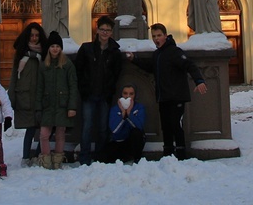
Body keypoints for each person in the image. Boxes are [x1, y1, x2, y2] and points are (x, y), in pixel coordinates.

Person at [126, 23, 207, 160]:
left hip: (177, 96)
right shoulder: (157, 54)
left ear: (165, 35)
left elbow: (189, 65)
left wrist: (199, 80)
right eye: (154, 36)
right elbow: (150, 67)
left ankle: (181, 154)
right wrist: (134, 60)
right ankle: (168, 153)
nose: (156, 39)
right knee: (166, 126)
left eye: (159, 35)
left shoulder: (174, 52)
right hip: (163, 97)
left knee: (176, 125)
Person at [74, 15, 122, 165]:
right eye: (102, 29)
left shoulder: (115, 52)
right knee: (87, 127)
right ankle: (85, 157)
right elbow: (79, 70)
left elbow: (116, 73)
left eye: (108, 30)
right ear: (97, 30)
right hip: (89, 94)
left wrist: (110, 89)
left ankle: (101, 157)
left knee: (103, 128)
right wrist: (83, 88)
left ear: (112, 32)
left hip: (104, 95)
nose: (105, 32)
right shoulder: (86, 48)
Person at [35, 31, 78, 169]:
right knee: (44, 134)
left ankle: (58, 159)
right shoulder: (43, 65)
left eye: (57, 46)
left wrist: (72, 106)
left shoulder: (67, 64)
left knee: (60, 134)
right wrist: (38, 107)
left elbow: (73, 86)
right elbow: (39, 87)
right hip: (48, 104)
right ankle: (46, 160)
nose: (55, 49)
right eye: (52, 46)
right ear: (48, 48)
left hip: (62, 104)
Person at [8, 22, 48, 166]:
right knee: (30, 129)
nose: (34, 38)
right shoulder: (20, 54)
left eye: (37, 35)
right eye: (31, 35)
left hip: (39, 95)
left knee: (43, 128)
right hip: (25, 96)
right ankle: (26, 157)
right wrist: (11, 97)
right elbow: (14, 76)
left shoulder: (44, 53)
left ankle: (37, 155)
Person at [102, 84, 146, 164]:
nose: (128, 96)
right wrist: (123, 115)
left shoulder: (139, 107)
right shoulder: (115, 109)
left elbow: (139, 127)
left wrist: (129, 113)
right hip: (119, 141)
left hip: (133, 141)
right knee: (103, 157)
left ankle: (137, 159)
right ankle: (123, 157)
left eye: (131, 94)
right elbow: (114, 130)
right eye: (125, 93)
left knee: (136, 133)